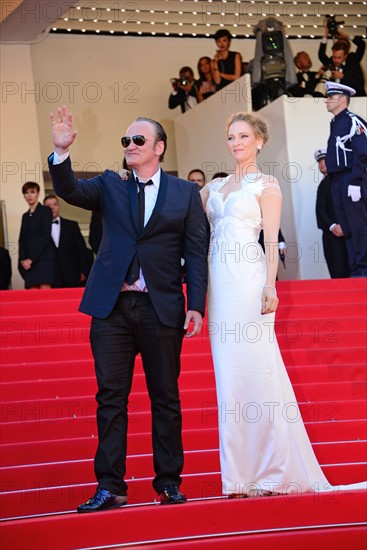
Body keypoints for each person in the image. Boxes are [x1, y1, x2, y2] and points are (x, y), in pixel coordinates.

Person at [48, 106, 208, 512]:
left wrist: (197, 305)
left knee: (165, 398)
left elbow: (196, 251)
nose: (130, 146)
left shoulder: (185, 193)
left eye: (138, 140)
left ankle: (169, 482)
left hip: (161, 307)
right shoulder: (109, 184)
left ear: (158, 147)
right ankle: (111, 487)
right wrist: (61, 151)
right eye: (125, 141)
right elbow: (69, 191)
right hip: (112, 308)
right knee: (110, 398)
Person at [200, 111, 366, 497]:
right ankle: (238, 478)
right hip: (219, 287)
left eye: (243, 135)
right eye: (230, 137)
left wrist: (270, 285)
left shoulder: (266, 183)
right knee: (229, 379)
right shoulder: (215, 187)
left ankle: (275, 472)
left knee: (259, 371)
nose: (236, 142)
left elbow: (271, 240)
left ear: (259, 140)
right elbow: (176, 205)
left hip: (249, 282)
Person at [324, 81, 367, 278]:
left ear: (342, 99)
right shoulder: (335, 123)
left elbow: (362, 151)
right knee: (348, 227)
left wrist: (356, 181)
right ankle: (356, 269)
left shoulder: (352, 120)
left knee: (359, 226)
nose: (326, 100)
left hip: (350, 178)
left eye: (330, 97)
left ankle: (363, 269)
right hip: (337, 181)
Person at [314, 148, 350, 278]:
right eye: (320, 162)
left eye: (325, 160)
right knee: (338, 274)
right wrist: (333, 226)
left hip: (351, 234)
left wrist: (346, 226)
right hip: (333, 238)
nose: (322, 164)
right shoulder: (323, 185)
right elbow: (320, 211)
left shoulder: (346, 180)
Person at [43, 194, 92, 287]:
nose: (52, 208)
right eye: (48, 205)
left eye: (55, 204)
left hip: (73, 276)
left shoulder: (72, 225)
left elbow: (82, 250)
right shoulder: (40, 229)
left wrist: (83, 272)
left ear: (59, 206)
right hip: (50, 279)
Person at [18, 181, 56, 289]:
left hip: (44, 259)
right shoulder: (25, 216)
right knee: (32, 296)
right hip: (29, 263)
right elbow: (22, 239)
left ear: (38, 194)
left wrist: (31, 259)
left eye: (32, 192)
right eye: (26, 192)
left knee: (45, 296)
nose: (29, 195)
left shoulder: (45, 211)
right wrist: (23, 259)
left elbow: (46, 236)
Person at [318, 27, 366, 97]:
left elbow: (359, 85)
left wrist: (342, 76)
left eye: (339, 57)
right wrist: (325, 34)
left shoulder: (353, 61)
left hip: (354, 100)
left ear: (345, 55)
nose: (336, 60)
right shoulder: (330, 63)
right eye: (334, 57)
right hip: (334, 101)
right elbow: (321, 54)